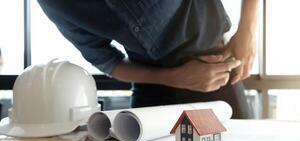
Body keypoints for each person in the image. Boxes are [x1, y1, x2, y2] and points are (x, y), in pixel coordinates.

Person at [37, 0, 259, 119]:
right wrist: (174, 78)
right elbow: (106, 60)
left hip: (216, 72)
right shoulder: (53, 3)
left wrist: (247, 32)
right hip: (152, 87)